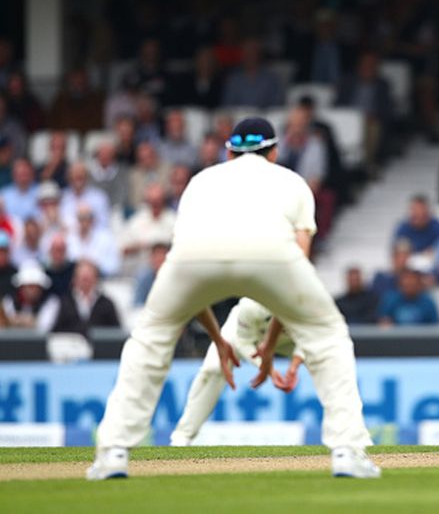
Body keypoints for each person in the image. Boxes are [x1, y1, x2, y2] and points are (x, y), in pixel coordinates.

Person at [87, 117, 379, 480]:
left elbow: (188, 272)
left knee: (150, 337)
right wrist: (273, 341)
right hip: (273, 254)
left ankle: (113, 451)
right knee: (329, 336)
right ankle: (348, 451)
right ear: (274, 152)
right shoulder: (293, 181)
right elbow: (301, 256)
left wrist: (217, 338)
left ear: (228, 152)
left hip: (193, 257)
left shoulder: (199, 181)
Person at [170, 297, 304, 447]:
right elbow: (243, 342)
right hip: (243, 333)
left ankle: (335, 435)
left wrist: (293, 368)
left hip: (289, 342)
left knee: (326, 358)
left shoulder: (305, 305)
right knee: (213, 368)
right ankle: (182, 437)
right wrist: (268, 369)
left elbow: (311, 341)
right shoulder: (252, 305)